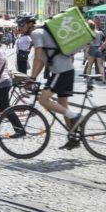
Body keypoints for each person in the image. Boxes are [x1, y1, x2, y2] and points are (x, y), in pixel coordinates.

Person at [28, 18, 83, 150]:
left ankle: (76, 117)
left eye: (21, 24)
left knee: (43, 100)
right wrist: (33, 77)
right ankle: (73, 137)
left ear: (29, 24)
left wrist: (32, 77)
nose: (19, 27)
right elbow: (42, 61)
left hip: (60, 71)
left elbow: (37, 57)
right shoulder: (44, 33)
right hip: (67, 70)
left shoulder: (36, 34)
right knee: (63, 105)